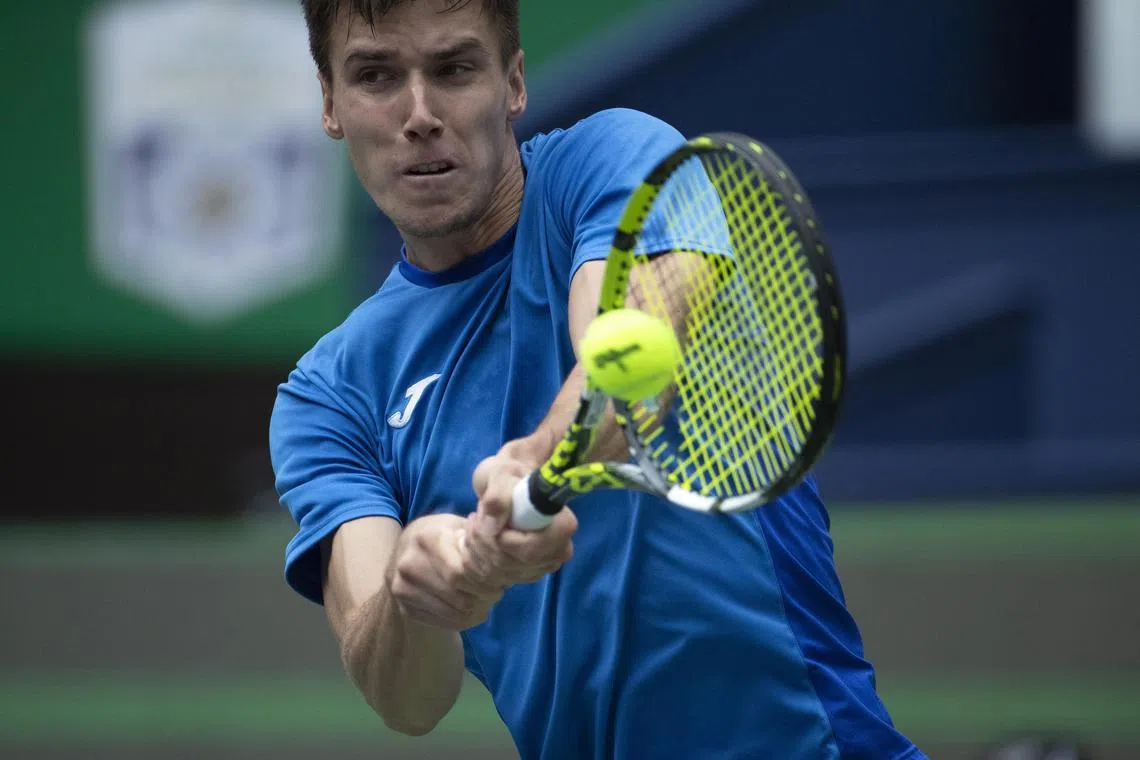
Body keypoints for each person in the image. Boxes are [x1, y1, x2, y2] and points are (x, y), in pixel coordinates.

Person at [269, 0, 926, 757]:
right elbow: (404, 701)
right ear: (330, 104)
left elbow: (627, 357)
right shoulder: (327, 397)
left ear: (513, 84)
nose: (419, 115)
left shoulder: (615, 159)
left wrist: (538, 456)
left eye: (453, 69)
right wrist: (423, 593)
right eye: (377, 76)